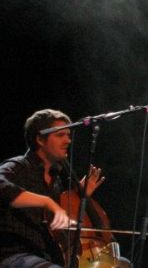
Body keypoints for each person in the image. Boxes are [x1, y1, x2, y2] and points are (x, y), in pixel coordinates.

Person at [0, 109, 105, 268]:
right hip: (15, 254)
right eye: (60, 135)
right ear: (40, 139)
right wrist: (47, 201)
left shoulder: (56, 180)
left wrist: (79, 198)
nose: (68, 141)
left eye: (68, 135)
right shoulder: (18, 166)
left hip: (46, 257)